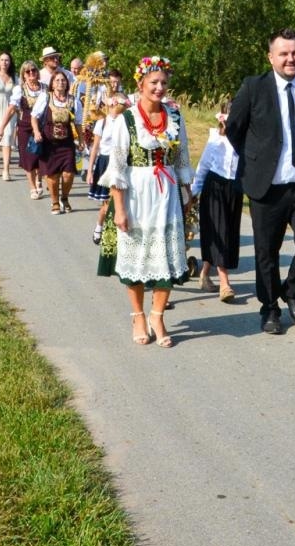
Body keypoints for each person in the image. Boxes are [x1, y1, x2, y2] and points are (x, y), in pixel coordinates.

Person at [226, 28, 295, 336]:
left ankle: (293, 291)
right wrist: (257, 159)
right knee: (266, 251)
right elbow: (235, 129)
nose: (291, 59)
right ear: (271, 57)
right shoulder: (253, 87)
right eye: (284, 54)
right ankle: (270, 308)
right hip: (267, 186)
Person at [98, 56, 193, 348]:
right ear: (140, 84)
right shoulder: (127, 119)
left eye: (164, 82)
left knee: (165, 256)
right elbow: (117, 167)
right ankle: (138, 315)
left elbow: (182, 158)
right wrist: (120, 209)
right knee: (137, 259)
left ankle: (158, 315)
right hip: (136, 195)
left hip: (166, 195)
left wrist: (188, 194)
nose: (159, 87)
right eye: (154, 82)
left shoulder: (174, 117)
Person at [191, 101, 241, 303]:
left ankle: (204, 274)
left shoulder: (244, 139)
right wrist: (194, 192)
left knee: (227, 232)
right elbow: (204, 165)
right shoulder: (216, 139)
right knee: (219, 232)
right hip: (215, 186)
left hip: (234, 188)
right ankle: (224, 283)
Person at [32, 68, 80, 213]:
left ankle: (64, 197)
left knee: (69, 174)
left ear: (67, 83)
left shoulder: (73, 100)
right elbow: (34, 116)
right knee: (52, 174)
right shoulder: (45, 97)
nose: (61, 83)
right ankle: (55, 201)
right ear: (52, 84)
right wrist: (36, 132)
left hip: (67, 142)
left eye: (63, 80)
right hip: (49, 142)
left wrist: (82, 139)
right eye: (57, 80)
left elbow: (78, 122)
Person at [87, 92, 130, 244]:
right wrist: (90, 170)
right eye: (118, 103)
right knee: (107, 204)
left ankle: (119, 232)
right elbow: (95, 147)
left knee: (120, 200)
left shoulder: (126, 122)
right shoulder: (102, 122)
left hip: (121, 161)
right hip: (105, 162)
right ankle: (99, 226)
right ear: (111, 104)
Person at [12, 61, 46, 198]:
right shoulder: (20, 89)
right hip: (25, 127)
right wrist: (2, 128)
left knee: (41, 156)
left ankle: (39, 179)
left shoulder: (45, 88)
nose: (31, 73)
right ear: (23, 75)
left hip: (42, 126)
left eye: (33, 70)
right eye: (28, 71)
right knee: (28, 157)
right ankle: (32, 187)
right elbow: (11, 109)